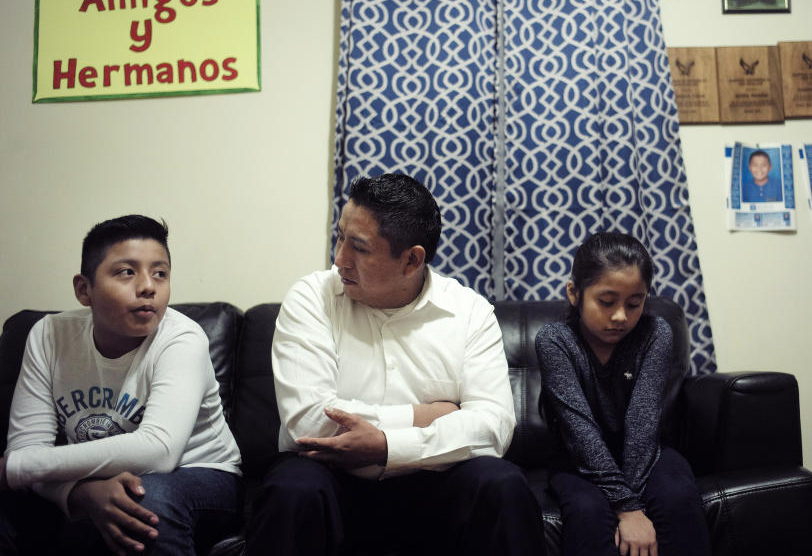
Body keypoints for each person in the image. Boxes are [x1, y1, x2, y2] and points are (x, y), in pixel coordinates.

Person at [247, 173, 546, 556]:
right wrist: (426, 416)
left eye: (358, 247)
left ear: (411, 260)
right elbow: (309, 422)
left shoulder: (469, 312)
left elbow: (493, 427)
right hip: (332, 483)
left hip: (435, 483)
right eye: (339, 237)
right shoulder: (312, 297)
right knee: (292, 489)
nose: (339, 259)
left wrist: (388, 446)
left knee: (500, 482)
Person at [0, 215, 242, 555]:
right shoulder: (49, 335)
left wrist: (15, 467)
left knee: (145, 502)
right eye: (127, 272)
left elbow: (158, 450)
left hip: (202, 472)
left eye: (160, 273)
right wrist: (79, 493)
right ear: (84, 289)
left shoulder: (182, 338)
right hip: (95, 475)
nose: (148, 286)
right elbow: (28, 447)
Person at [536, 232, 710, 556]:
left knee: (676, 497)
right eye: (606, 302)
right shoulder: (554, 340)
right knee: (587, 511)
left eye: (634, 304)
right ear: (574, 293)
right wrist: (627, 507)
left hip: (648, 454)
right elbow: (580, 432)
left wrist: (633, 503)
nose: (620, 316)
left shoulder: (654, 333)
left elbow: (642, 423)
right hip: (577, 461)